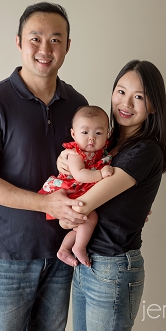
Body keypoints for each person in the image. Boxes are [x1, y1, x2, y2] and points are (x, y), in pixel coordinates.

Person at [0, 2, 88, 331]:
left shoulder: (78, 105)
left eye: (55, 39)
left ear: (67, 45)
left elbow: (90, 174)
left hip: (62, 253)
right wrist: (46, 203)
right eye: (35, 38)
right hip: (8, 254)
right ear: (19, 42)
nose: (45, 49)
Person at [54, 59, 166, 331]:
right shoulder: (106, 143)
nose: (126, 103)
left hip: (113, 267)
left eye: (139, 97)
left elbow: (84, 204)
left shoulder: (145, 151)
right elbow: (78, 170)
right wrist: (65, 159)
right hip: (88, 264)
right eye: (121, 91)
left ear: (153, 105)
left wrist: (65, 218)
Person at [40, 105, 114, 267]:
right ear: (73, 134)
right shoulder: (75, 154)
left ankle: (64, 249)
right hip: (72, 191)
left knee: (80, 228)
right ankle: (79, 247)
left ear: (107, 134)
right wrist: (101, 174)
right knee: (90, 218)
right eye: (85, 132)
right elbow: (80, 174)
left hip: (83, 191)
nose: (91, 138)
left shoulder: (102, 152)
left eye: (98, 133)